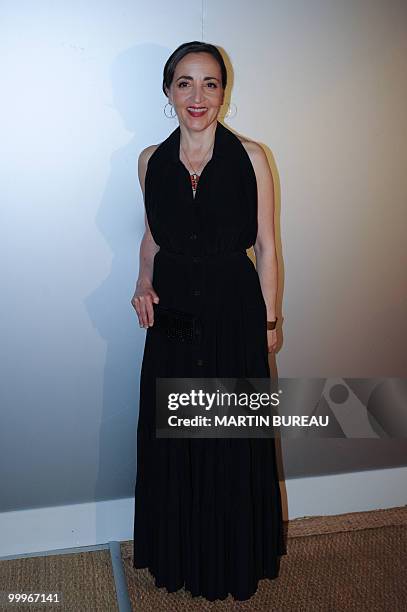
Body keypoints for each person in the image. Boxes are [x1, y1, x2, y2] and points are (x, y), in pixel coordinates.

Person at [131, 41, 286, 602]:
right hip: (171, 313)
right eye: (186, 83)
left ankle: (230, 560)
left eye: (211, 83)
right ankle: (180, 556)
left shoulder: (253, 157)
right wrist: (142, 281)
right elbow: (152, 234)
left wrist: (269, 323)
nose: (198, 97)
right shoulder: (149, 160)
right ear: (168, 90)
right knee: (176, 437)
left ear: (225, 90)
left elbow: (267, 246)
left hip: (233, 313)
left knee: (228, 438)